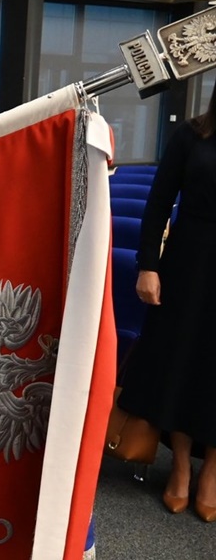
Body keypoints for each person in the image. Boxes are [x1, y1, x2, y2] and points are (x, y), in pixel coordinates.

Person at [118, 81, 216, 522]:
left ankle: (212, 470)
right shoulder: (192, 135)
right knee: (182, 364)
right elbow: (159, 202)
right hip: (189, 266)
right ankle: (178, 464)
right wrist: (148, 265)